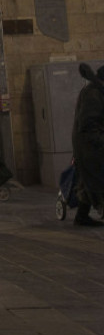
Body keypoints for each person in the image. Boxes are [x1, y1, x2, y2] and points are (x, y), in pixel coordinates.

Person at [72, 64, 104, 227]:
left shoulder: (95, 90)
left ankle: (82, 216)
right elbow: (89, 124)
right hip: (91, 147)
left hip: (88, 147)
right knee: (97, 180)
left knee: (89, 182)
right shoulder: (93, 93)